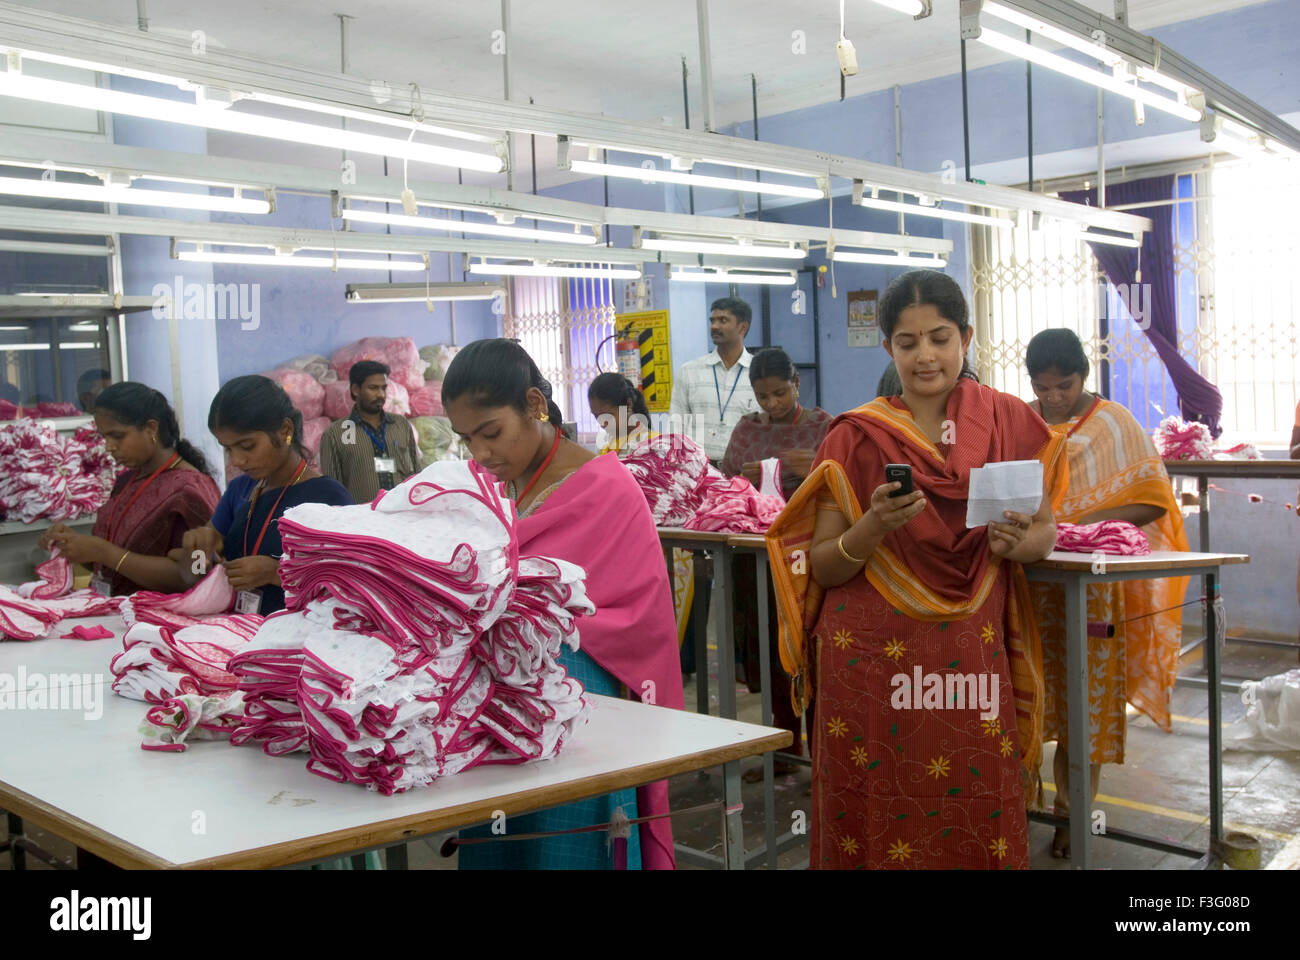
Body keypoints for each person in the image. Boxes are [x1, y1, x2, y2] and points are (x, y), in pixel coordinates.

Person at [765, 270, 1062, 870]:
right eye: (908, 342)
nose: (925, 355)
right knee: (875, 807)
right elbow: (822, 565)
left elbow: (1045, 534)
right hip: (870, 659)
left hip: (969, 652)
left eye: (940, 337)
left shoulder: (1006, 422)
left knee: (972, 801)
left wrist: (1014, 541)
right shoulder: (853, 437)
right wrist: (873, 526)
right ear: (889, 349)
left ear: (966, 338)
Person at [444, 339, 684, 870]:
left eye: (491, 434)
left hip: (582, 699)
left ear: (534, 405)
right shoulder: (491, 489)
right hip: (496, 700)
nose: (480, 454)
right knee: (500, 836)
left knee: (565, 846)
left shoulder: (606, 487)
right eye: (467, 440)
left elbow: (635, 617)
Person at [1024, 328, 1189, 859]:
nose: (1052, 398)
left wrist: (1075, 522)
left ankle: (1071, 814)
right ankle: (1019, 802)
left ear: (1084, 377)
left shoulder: (1114, 424)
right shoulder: (1024, 422)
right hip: (1030, 585)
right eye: (1042, 387)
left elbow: (1151, 501)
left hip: (1089, 592)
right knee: (1023, 694)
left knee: (1082, 705)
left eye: (1063, 386)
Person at [718, 347, 832, 779]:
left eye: (780, 393)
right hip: (758, 556)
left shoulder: (825, 426)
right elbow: (724, 481)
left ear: (797, 385)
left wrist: (818, 464)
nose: (773, 404)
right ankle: (785, 746)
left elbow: (845, 479)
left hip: (808, 553)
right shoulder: (748, 429)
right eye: (763, 397)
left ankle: (824, 755)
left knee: (813, 648)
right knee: (771, 648)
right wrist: (742, 475)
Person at [180, 375, 353, 615]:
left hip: (298, 639)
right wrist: (198, 551)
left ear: (285, 431)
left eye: (247, 446)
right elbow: (193, 575)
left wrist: (275, 573)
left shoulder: (329, 497)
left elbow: (350, 587)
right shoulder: (240, 489)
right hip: (237, 632)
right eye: (228, 449)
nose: (237, 461)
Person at [40, 382, 220, 595]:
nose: (108, 446)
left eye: (117, 435)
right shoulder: (126, 481)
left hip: (162, 620)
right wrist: (75, 545)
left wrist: (105, 552)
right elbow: (110, 562)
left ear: (151, 429)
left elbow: (197, 575)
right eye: (103, 436)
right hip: (115, 611)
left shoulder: (190, 489)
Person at [668, 296, 759, 465]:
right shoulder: (690, 371)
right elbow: (677, 427)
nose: (715, 326)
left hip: (745, 471)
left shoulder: (759, 372)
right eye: (713, 321)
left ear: (742, 327)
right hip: (699, 471)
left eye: (723, 320)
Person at [319, 360, 422, 504]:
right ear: (355, 389)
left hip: (403, 514)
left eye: (383, 388)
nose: (380, 394)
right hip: (363, 519)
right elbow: (333, 490)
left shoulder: (401, 425)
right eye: (373, 388)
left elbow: (417, 472)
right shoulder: (336, 433)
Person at [588, 372, 653, 455]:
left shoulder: (649, 444)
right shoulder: (603, 441)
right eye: (596, 416)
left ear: (628, 405)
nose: (602, 424)